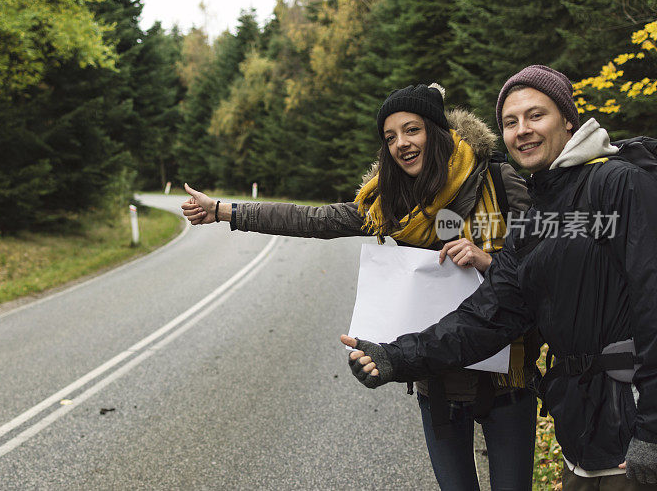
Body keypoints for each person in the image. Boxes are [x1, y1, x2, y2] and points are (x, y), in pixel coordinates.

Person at [182, 83, 539, 490]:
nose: (401, 144)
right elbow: (314, 221)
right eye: (390, 137)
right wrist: (224, 211)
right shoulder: (390, 202)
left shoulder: (497, 179)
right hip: (438, 380)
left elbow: (536, 272)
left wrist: (486, 260)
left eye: (412, 130)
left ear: (436, 132)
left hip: (506, 376)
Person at [341, 65, 657, 490]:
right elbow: (489, 315)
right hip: (583, 436)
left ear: (568, 119)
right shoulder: (539, 215)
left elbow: (653, 307)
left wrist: (651, 434)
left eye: (535, 115)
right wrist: (396, 357)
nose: (522, 130)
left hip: (632, 436)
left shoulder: (619, 185)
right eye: (511, 122)